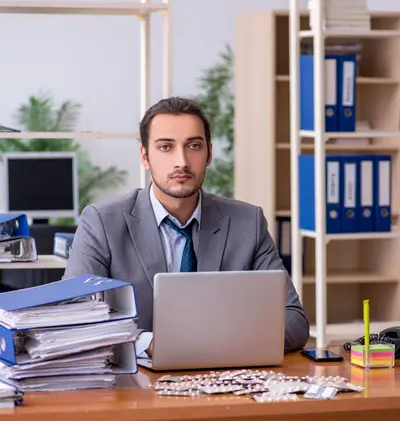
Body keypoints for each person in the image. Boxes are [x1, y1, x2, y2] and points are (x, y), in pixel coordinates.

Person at [64, 96, 309, 356]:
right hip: (136, 385)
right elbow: (75, 316)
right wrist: (147, 345)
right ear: (145, 157)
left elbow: (294, 320)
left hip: (224, 379)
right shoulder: (101, 222)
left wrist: (214, 343)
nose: (181, 161)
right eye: (165, 147)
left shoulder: (247, 222)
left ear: (209, 154)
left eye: (193, 145)